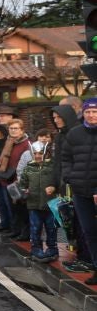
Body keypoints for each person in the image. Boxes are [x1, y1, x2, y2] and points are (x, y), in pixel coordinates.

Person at [59, 97, 97, 285]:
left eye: (95, 111)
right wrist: (70, 177)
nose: (91, 115)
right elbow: (66, 157)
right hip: (81, 191)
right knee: (89, 232)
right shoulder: (75, 134)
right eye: (88, 111)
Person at [21, 138, 59, 260]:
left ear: (46, 153)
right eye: (35, 153)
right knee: (35, 227)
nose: (37, 156)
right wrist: (24, 190)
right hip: (33, 204)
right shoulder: (28, 168)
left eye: (40, 153)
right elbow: (22, 184)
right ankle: (36, 249)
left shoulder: (53, 168)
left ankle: (52, 249)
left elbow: (59, 182)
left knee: (51, 228)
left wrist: (54, 187)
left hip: (50, 205)